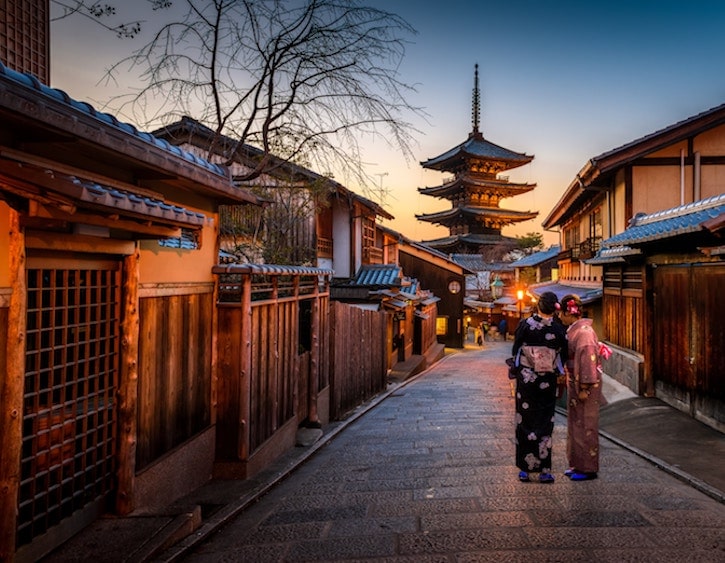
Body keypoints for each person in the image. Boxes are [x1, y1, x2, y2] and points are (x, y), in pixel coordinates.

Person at [511, 291, 567, 483]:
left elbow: (516, 349)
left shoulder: (525, 325)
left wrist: (521, 366)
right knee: (545, 422)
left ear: (538, 306)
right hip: (547, 380)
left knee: (524, 420)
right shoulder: (559, 328)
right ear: (554, 308)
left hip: (527, 380)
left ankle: (525, 469)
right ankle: (545, 470)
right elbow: (563, 354)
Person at [559, 294, 602, 481]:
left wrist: (584, 386)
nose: (560, 317)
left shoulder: (584, 333)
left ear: (569, 312)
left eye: (561, 313)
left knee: (586, 425)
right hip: (575, 382)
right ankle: (576, 463)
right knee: (576, 424)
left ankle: (588, 468)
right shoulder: (576, 330)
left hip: (585, 385)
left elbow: (587, 361)